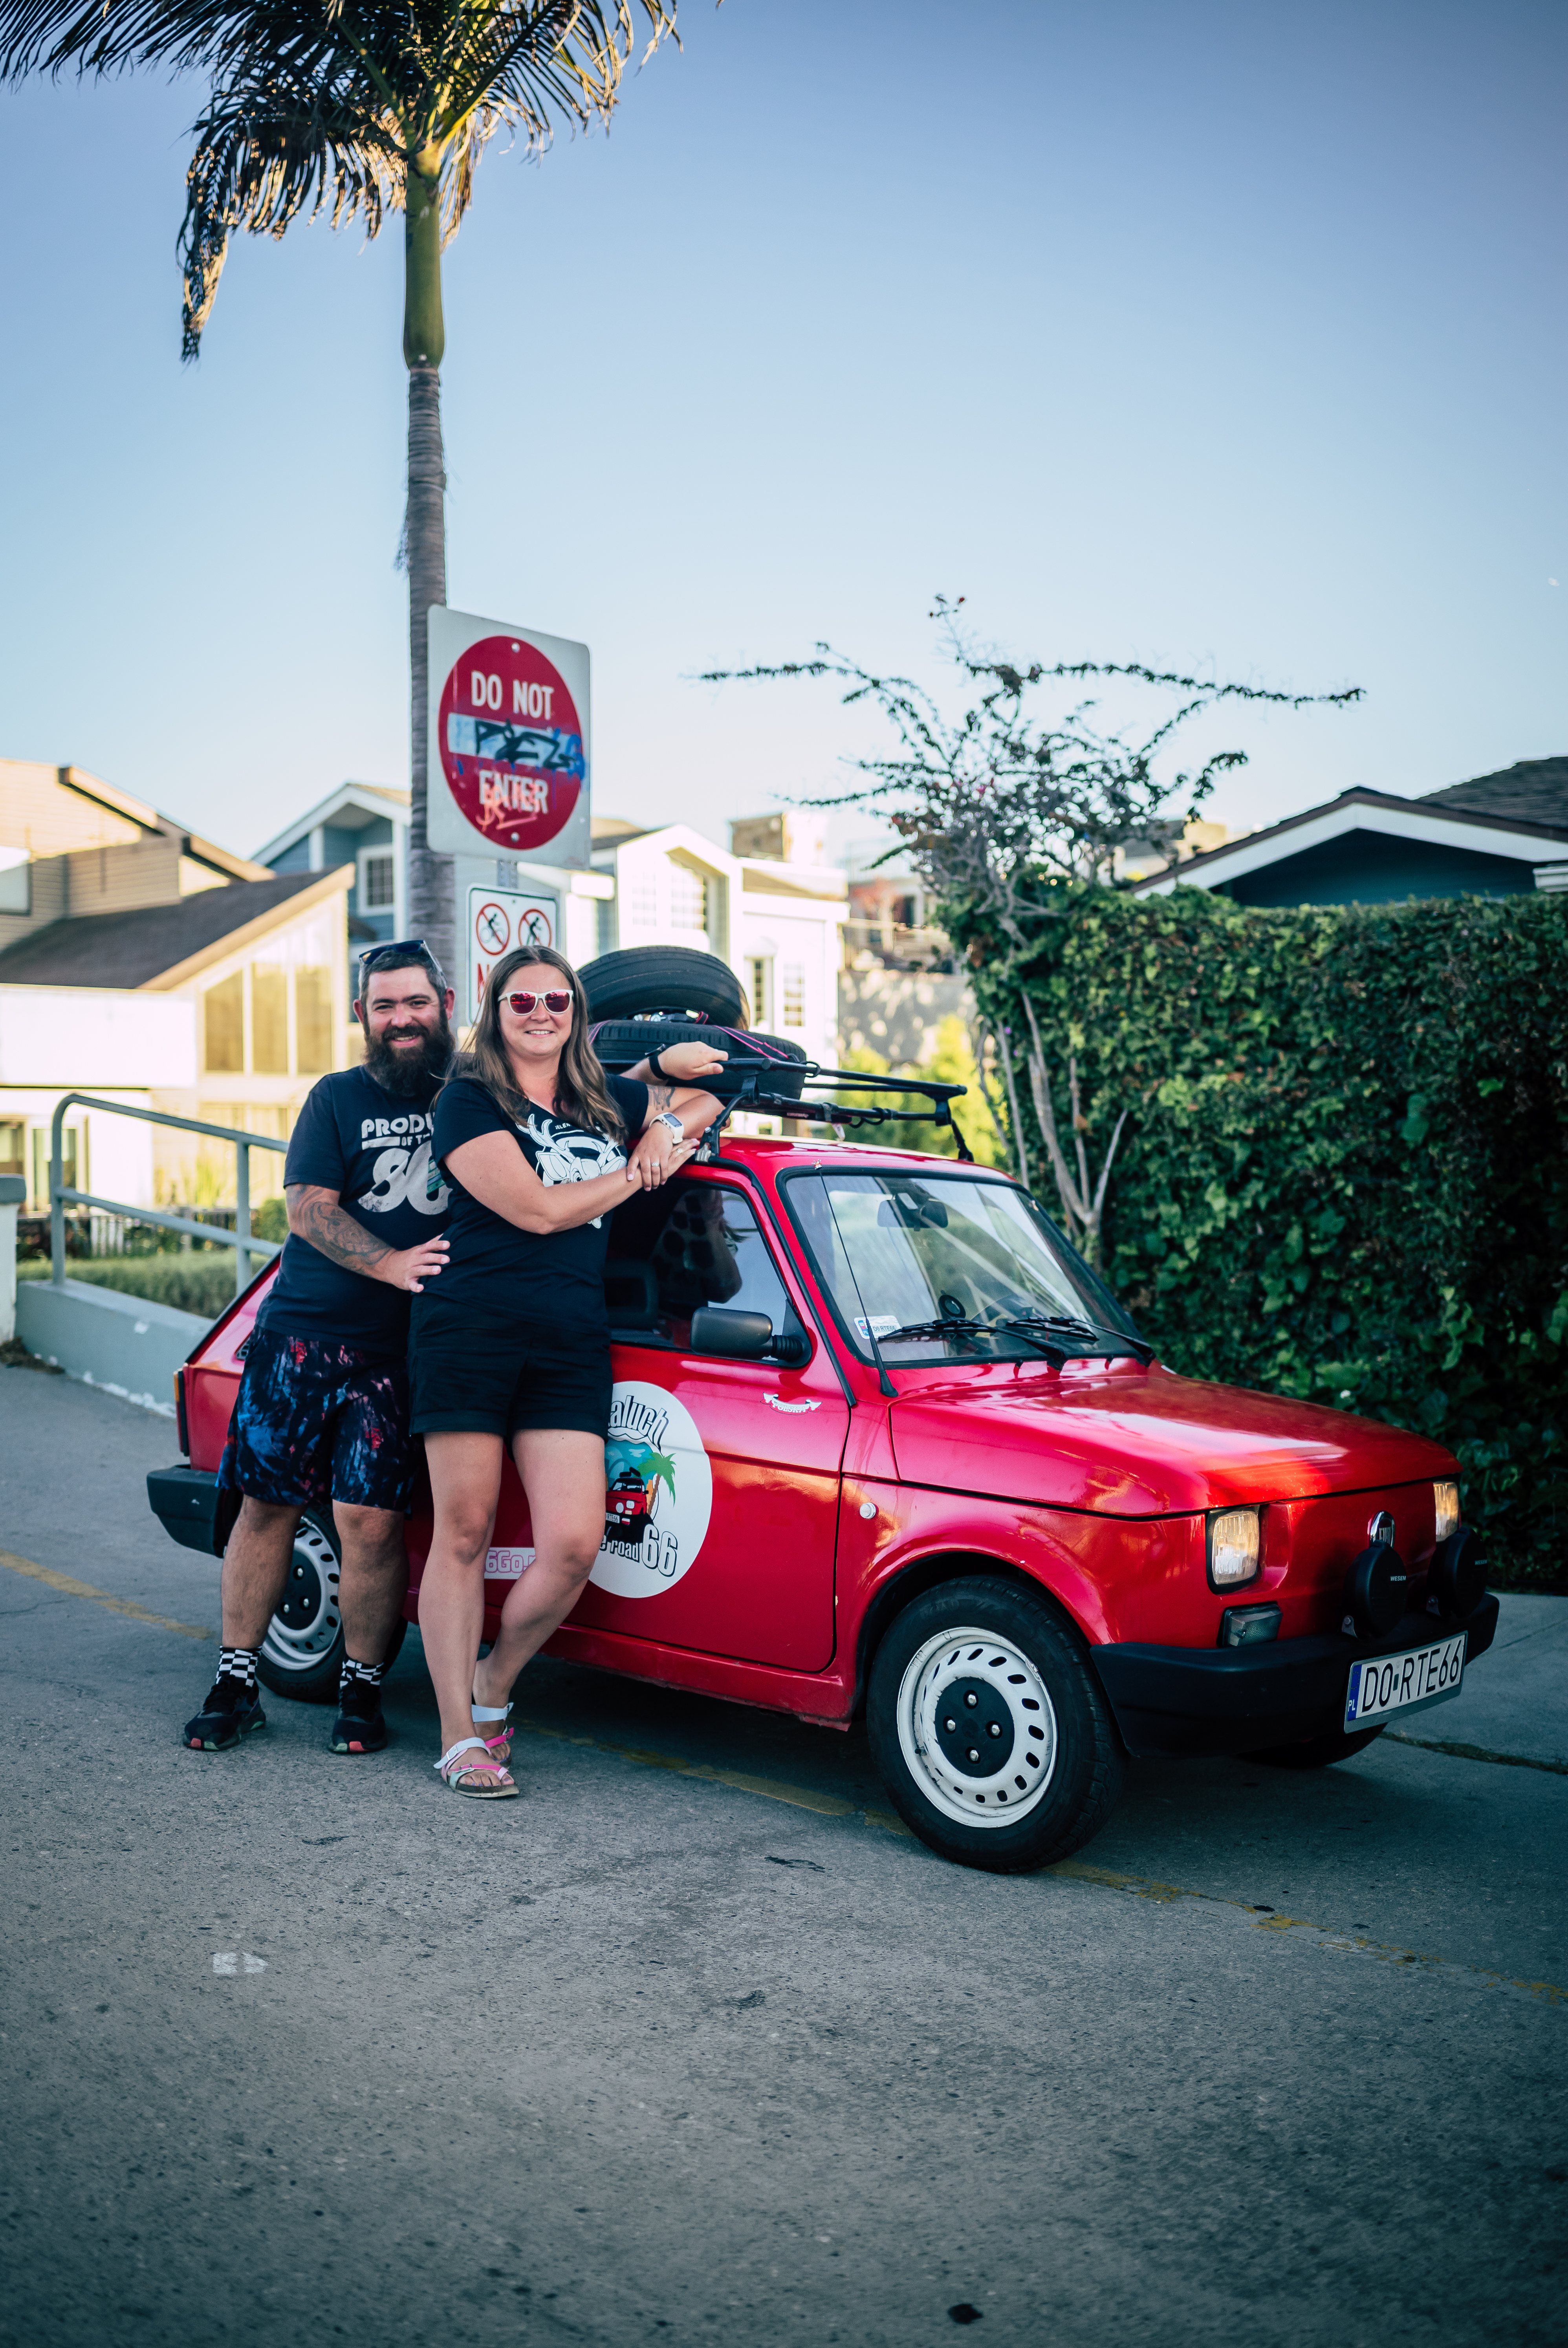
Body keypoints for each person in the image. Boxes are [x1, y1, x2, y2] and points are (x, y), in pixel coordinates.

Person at [411, 943, 725, 1797]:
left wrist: (663, 1124)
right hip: (470, 1330)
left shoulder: (601, 1097)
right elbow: (541, 1211)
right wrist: (637, 1170)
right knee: (465, 1532)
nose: (542, 1012)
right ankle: (456, 1736)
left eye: (557, 999)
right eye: (522, 1002)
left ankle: (494, 1685)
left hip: (567, 1341)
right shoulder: (468, 1100)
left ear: (576, 1013)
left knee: (575, 1545)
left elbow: (703, 1098)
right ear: (496, 1012)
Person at [182, 940, 455, 1761]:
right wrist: (391, 1263)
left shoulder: (477, 1099)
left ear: (444, 1001)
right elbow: (308, 1208)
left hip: (402, 1355)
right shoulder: (336, 1098)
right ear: (363, 1016)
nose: (401, 1019)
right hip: (302, 1338)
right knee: (267, 1507)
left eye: (414, 1002)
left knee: (371, 1525)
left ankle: (362, 1693)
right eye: (384, 1006)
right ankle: (237, 1682)